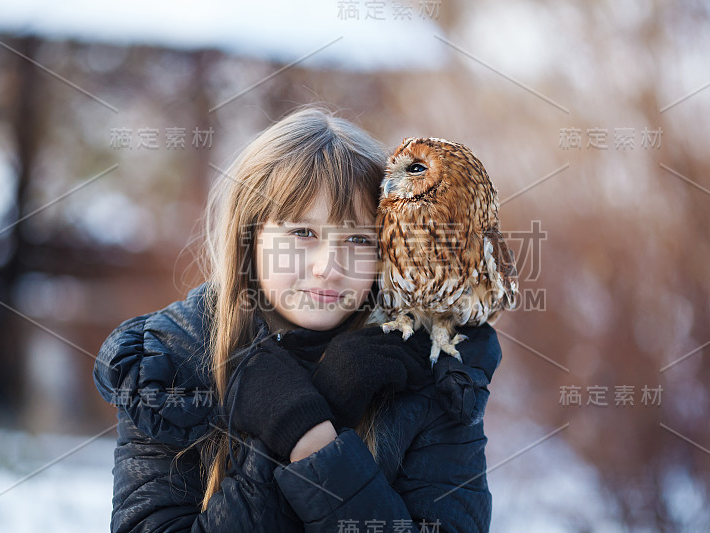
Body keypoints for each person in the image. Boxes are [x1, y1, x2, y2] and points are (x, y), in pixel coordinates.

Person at [93, 106, 502, 532]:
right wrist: (299, 427)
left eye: (360, 239)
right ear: (250, 236)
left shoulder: (433, 373)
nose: (330, 267)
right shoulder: (172, 364)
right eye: (303, 233)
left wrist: (321, 443)